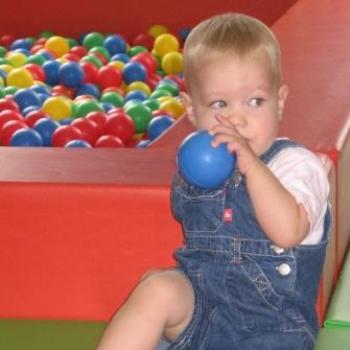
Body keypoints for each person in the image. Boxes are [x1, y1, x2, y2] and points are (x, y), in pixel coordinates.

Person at [97, 12, 330, 350]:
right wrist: (173, 288)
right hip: (207, 316)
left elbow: (288, 231)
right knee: (156, 290)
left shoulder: (296, 165)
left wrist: (252, 167)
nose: (238, 118)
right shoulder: (201, 163)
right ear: (192, 112)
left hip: (272, 334)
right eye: (220, 104)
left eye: (255, 101)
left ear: (279, 103)